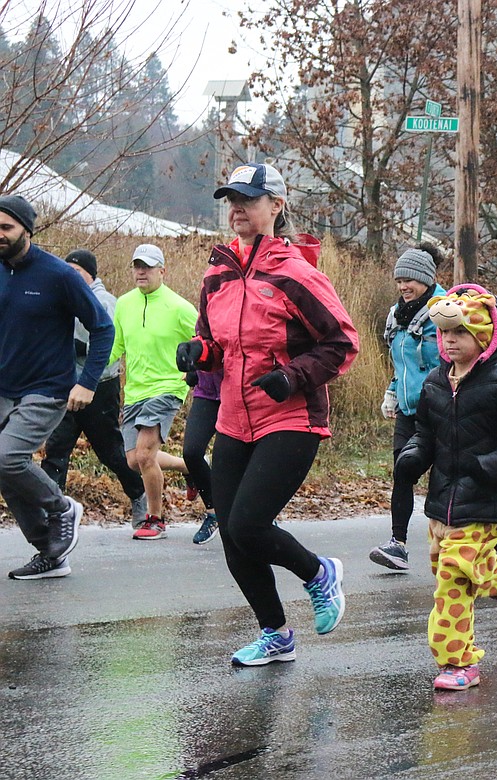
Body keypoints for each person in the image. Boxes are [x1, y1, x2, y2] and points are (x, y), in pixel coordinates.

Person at [176, 162, 359, 665]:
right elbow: (212, 341)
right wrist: (197, 353)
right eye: (231, 199)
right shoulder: (217, 271)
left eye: (248, 199)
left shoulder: (297, 273)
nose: (237, 208)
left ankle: (320, 573)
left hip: (291, 417)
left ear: (276, 206)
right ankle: (276, 633)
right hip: (234, 415)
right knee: (233, 534)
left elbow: (343, 343)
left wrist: (293, 376)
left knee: (251, 524)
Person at [397, 286, 497, 690]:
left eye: (459, 333)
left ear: (483, 337)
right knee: (467, 578)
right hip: (441, 505)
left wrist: (488, 466)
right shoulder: (434, 382)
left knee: (452, 584)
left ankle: (458, 663)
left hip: (484, 501)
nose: (449, 341)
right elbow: (424, 433)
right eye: (444, 334)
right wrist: (412, 456)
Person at [0, 195, 110, 580]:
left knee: (7, 458)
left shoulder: (58, 275)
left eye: (5, 228)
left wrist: (88, 383)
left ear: (26, 230)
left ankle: (63, 508)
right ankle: (49, 551)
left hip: (47, 387)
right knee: (3, 468)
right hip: (5, 385)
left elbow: (102, 328)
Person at [39, 249, 147, 526]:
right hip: (66, 386)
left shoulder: (103, 300)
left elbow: (106, 344)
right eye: (68, 271)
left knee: (110, 451)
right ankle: (52, 512)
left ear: (90, 274)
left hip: (100, 388)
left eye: (77, 272)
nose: (71, 276)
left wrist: (71, 347)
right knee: (56, 449)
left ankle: (139, 496)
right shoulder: (63, 297)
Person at [108, 243, 196, 540]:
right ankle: (191, 468)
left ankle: (155, 519)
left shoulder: (179, 307)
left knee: (146, 455)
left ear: (162, 270)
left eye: (147, 266)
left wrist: (196, 370)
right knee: (134, 461)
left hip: (168, 388)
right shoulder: (124, 304)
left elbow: (205, 340)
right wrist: (85, 373)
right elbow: (116, 346)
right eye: (136, 266)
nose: (141, 271)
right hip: (135, 391)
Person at [370, 245, 446, 572]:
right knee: (402, 470)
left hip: (441, 409)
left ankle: (452, 543)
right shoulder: (397, 315)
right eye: (400, 279)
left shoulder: (443, 312)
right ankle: (397, 545)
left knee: (445, 478)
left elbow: (446, 361)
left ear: (427, 281)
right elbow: (401, 365)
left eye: (411, 280)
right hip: (407, 409)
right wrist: (391, 391)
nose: (404, 286)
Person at [183, 368, 222, 544]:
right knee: (191, 452)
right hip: (206, 391)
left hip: (238, 392)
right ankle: (214, 513)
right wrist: (192, 365)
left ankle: (259, 514)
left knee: (230, 458)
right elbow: (200, 340)